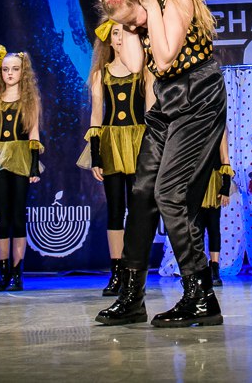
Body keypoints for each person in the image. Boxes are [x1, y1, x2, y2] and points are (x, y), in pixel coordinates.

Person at [90, 0, 227, 328]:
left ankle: (201, 296)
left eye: (132, 16)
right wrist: (126, 24)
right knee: (141, 193)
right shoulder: (137, 18)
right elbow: (138, 64)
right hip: (166, 102)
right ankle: (132, 297)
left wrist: (149, 8)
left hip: (199, 96)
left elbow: (164, 59)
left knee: (170, 193)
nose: (134, 25)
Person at [80, 19, 150, 296]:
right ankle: (117, 272)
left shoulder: (141, 71)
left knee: (137, 209)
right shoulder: (101, 74)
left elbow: (150, 109)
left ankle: (134, 271)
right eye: (115, 34)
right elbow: (96, 114)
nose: (119, 38)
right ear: (108, 40)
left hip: (137, 141)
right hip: (111, 143)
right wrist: (95, 155)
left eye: (124, 33)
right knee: (115, 210)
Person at [0, 44, 44, 292]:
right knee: (2, 218)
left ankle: (17, 272)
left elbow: (34, 134)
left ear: (22, 72)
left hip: (21, 158)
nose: (9, 73)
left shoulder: (29, 101)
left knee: (18, 216)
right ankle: (3, 271)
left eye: (15, 69)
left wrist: (34, 167)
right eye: (5, 69)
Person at [200, 129, 234, 287]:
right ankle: (199, 268)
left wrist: (225, 187)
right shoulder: (192, 125)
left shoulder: (219, 127)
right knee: (196, 228)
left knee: (213, 226)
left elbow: (225, 158)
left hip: (213, 182)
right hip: (196, 182)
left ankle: (214, 268)